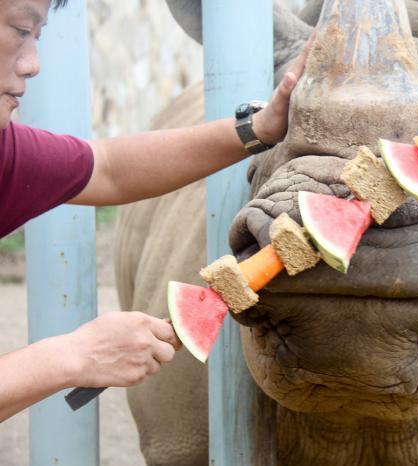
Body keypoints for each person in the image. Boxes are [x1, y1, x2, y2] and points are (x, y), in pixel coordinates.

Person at [0, 0, 312, 421]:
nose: (34, 64)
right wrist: (73, 355)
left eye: (37, 38)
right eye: (21, 31)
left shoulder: (5, 153)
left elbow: (109, 168)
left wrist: (258, 128)